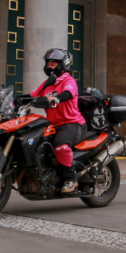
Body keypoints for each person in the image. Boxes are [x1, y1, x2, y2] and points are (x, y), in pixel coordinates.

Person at [30, 48, 86, 193]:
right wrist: (16, 101)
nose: (50, 66)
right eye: (48, 63)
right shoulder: (47, 83)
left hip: (72, 123)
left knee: (60, 145)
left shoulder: (68, 80)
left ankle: (70, 179)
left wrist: (56, 98)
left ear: (63, 65)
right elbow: (32, 95)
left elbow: (67, 94)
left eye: (54, 63)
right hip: (53, 124)